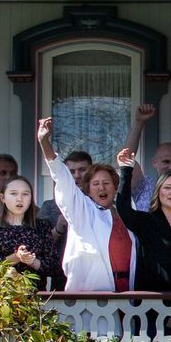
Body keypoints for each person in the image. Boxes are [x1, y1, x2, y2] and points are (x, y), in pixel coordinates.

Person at [37, 120, 135, 292]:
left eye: (106, 183)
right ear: (87, 189)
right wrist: (44, 142)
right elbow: (61, 175)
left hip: (128, 296)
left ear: (114, 187)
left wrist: (126, 166)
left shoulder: (126, 216)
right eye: (95, 184)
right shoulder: (82, 211)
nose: (102, 188)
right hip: (92, 302)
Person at [114, 152, 171, 291]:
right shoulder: (147, 222)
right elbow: (123, 209)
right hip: (156, 305)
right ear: (158, 192)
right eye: (167, 188)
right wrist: (126, 170)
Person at [0, 175, 55, 278]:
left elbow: (53, 266)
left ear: (31, 198)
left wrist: (32, 261)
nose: (20, 199)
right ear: (3, 198)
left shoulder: (42, 227)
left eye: (25, 194)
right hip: (1, 291)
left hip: (35, 291)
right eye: (13, 194)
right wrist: (16, 257)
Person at [39, 147, 92, 291]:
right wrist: (58, 229)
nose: (77, 175)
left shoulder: (100, 204)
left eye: (82, 170)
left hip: (95, 273)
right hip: (62, 276)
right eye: (71, 171)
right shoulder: (49, 206)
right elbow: (39, 244)